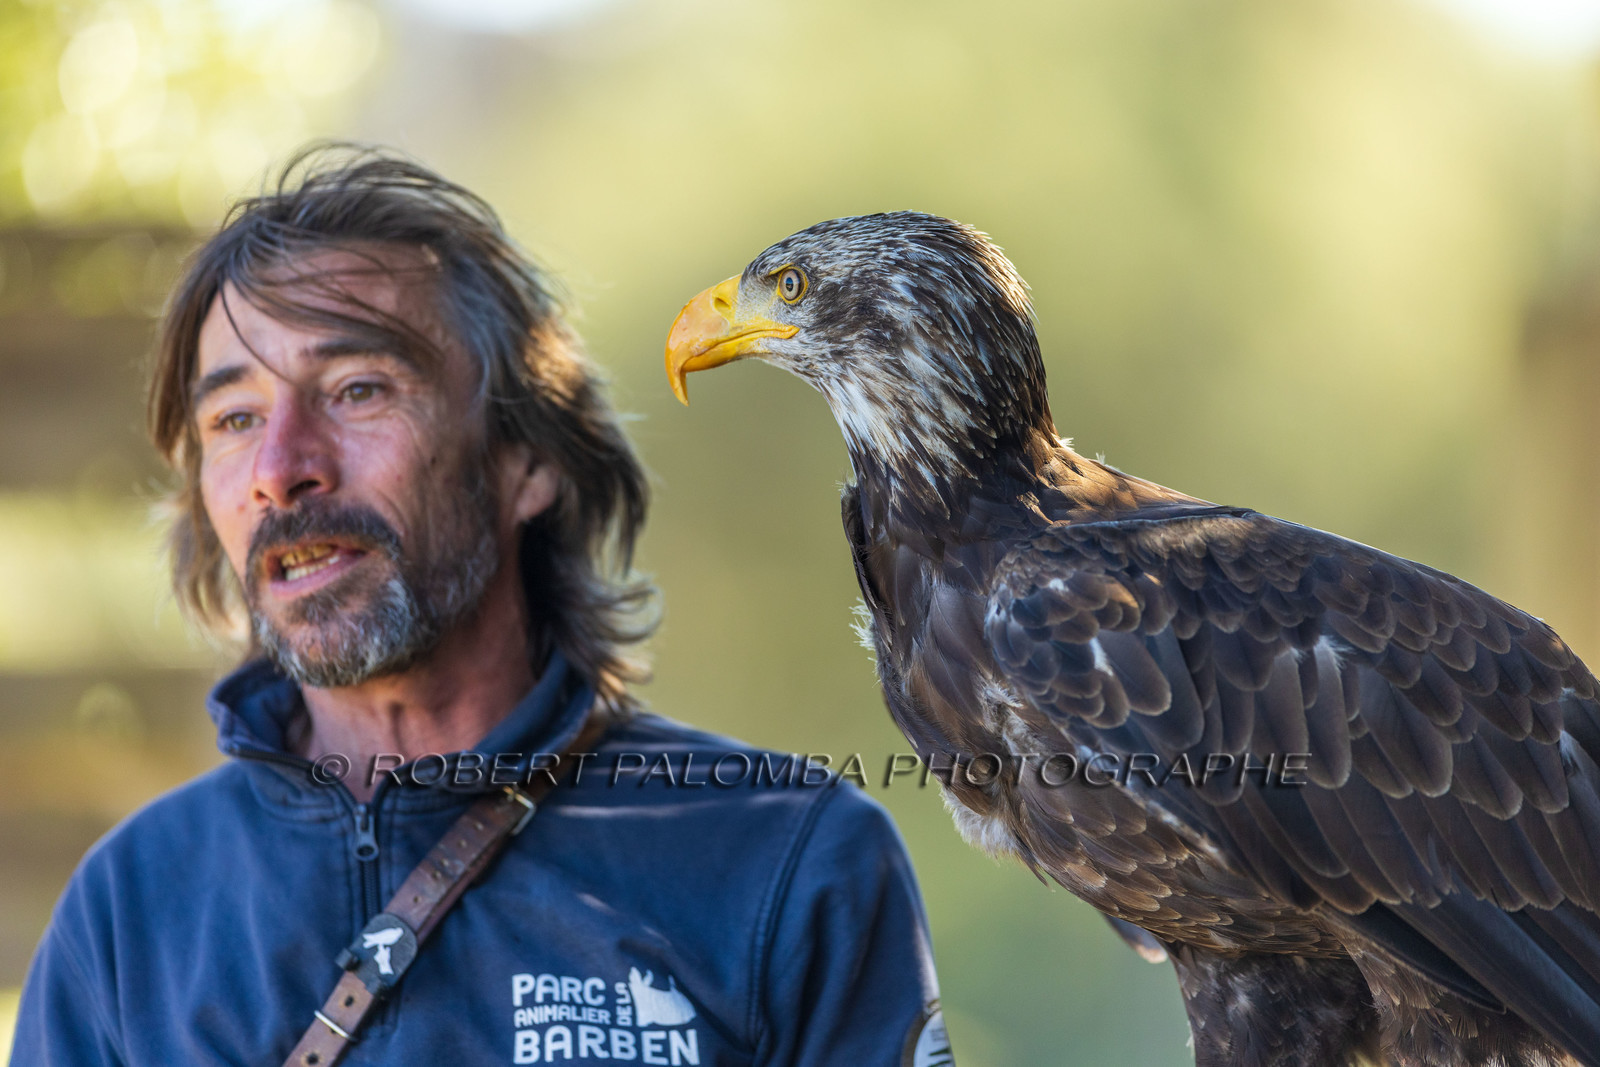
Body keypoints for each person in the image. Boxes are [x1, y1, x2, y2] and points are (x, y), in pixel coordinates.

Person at [10, 146, 950, 1066]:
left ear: (527, 457)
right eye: (234, 418)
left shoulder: (790, 862)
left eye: (357, 390)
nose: (280, 468)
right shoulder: (126, 915)